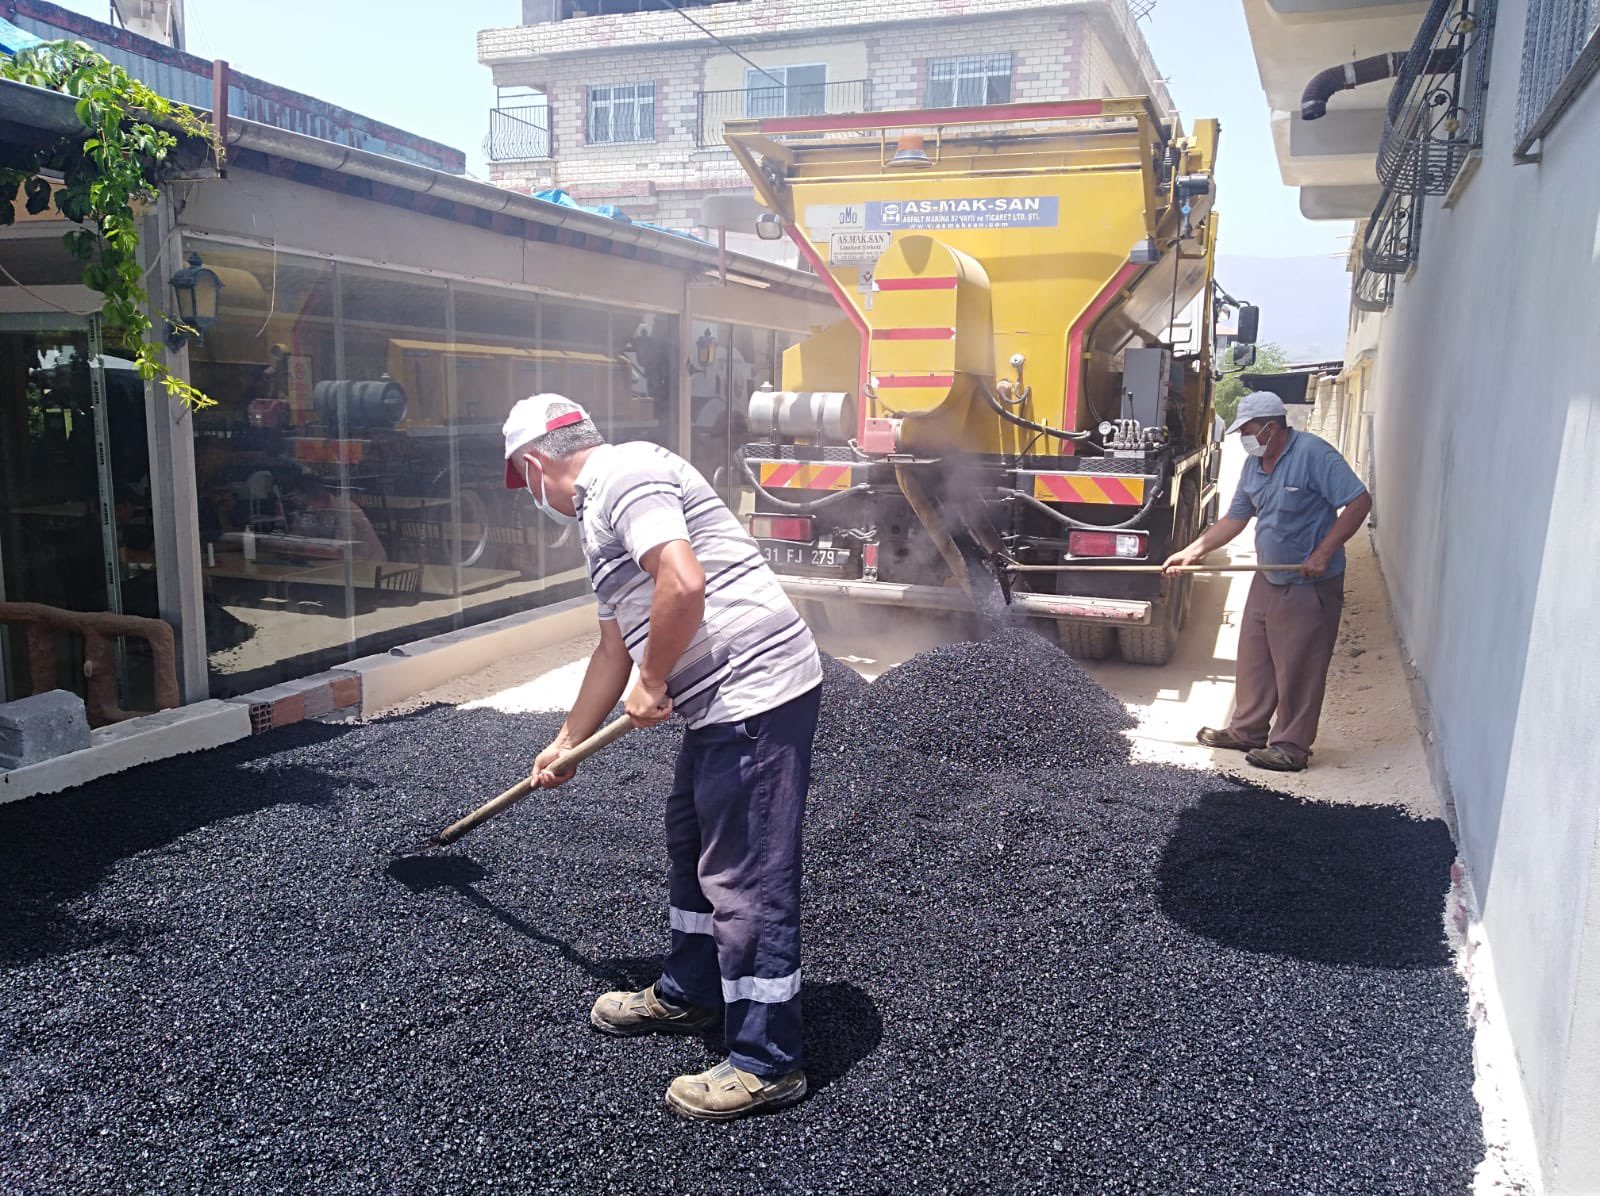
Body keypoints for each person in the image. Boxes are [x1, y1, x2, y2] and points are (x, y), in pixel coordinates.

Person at [501, 393, 823, 1121]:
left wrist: (652, 682)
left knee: (744, 875)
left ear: (533, 462)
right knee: (690, 841)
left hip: (756, 693)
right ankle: (691, 992)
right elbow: (614, 646)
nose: (533, 498)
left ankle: (768, 1061)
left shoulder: (626, 475)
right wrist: (567, 741)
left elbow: (685, 581)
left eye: (527, 483)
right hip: (720, 704)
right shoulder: (597, 516)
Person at [1164, 391, 1372, 772]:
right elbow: (1234, 518)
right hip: (1268, 576)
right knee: (1255, 659)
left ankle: (1291, 746)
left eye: (1248, 430)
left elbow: (1359, 502)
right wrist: (1192, 551)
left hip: (1308, 582)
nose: (1244, 437)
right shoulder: (1254, 464)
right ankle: (1248, 730)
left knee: (1298, 666)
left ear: (1271, 428)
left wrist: (1323, 553)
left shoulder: (1313, 454)